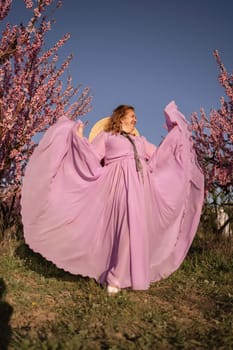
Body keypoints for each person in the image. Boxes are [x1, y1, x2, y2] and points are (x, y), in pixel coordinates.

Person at [21, 101, 204, 294]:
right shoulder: (107, 137)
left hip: (142, 187)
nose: (136, 119)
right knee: (124, 226)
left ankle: (126, 275)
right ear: (121, 117)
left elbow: (161, 156)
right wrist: (77, 137)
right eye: (132, 115)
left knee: (136, 228)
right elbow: (90, 155)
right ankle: (114, 278)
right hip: (116, 184)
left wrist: (176, 134)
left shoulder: (140, 141)